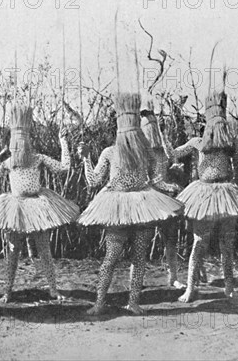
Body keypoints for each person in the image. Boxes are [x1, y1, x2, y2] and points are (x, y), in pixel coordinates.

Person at [78, 92, 184, 315]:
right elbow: (157, 181)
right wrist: (86, 158)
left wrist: (86, 158)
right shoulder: (136, 152)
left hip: (138, 206)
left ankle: (116, 303)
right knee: (122, 257)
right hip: (130, 207)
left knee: (126, 257)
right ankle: (106, 302)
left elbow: (94, 181)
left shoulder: (127, 152)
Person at [0, 101, 79, 304]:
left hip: (38, 206)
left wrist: (63, 141)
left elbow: (63, 168)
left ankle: (53, 289)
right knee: (12, 251)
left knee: (44, 250)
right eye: (16, 142)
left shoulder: (37, 159)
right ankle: (8, 290)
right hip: (15, 208)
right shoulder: (8, 162)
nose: (20, 145)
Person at [174, 83, 238, 303]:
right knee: (199, 242)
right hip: (204, 194)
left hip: (226, 194)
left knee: (227, 244)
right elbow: (174, 153)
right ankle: (190, 287)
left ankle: (229, 288)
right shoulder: (198, 142)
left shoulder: (231, 143)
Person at [138, 94, 185, 289]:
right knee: (143, 240)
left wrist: (175, 169)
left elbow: (172, 157)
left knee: (171, 239)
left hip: (165, 199)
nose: (151, 126)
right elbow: (150, 179)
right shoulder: (141, 151)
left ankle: (173, 277)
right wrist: (170, 187)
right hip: (149, 198)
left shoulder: (163, 150)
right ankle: (138, 279)